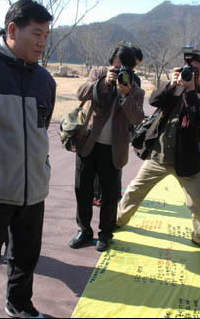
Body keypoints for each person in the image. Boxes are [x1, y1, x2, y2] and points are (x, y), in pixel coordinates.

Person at [0, 0, 56, 318]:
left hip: (34, 189)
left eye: (47, 35)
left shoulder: (45, 80)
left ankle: (19, 303)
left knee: (26, 255)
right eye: (37, 34)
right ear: (13, 30)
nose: (43, 42)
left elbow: (41, 128)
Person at [116, 48, 200, 255]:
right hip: (159, 154)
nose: (190, 73)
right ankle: (116, 221)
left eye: (196, 70)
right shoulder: (176, 85)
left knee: (199, 203)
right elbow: (153, 101)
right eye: (188, 68)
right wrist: (171, 84)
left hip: (186, 160)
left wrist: (189, 90)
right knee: (135, 191)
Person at [69, 45, 145, 252]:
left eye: (124, 67)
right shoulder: (98, 74)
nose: (119, 71)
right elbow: (80, 93)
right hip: (89, 144)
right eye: (116, 65)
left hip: (114, 149)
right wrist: (104, 82)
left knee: (110, 196)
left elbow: (138, 118)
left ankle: (105, 234)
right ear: (111, 61)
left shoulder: (135, 86)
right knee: (82, 191)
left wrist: (125, 94)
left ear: (132, 68)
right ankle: (84, 231)